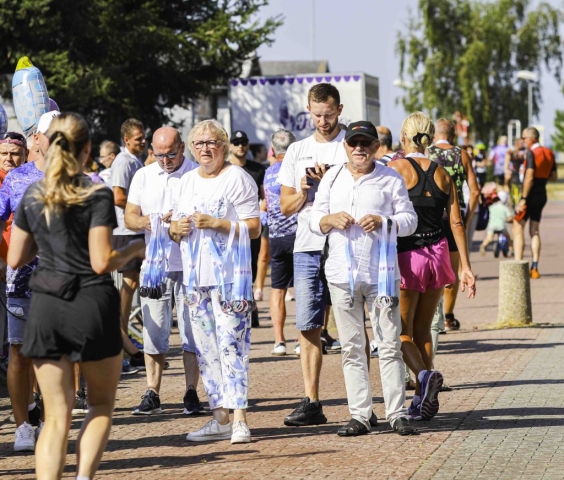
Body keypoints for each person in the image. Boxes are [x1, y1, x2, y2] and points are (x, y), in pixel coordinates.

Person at [7, 112, 145, 479]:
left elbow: (17, 257)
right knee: (99, 405)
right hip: (89, 303)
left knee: (55, 417)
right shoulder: (95, 192)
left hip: (47, 305)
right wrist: (133, 250)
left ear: (49, 146)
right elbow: (102, 261)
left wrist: (49, 242)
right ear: (87, 150)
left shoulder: (34, 193)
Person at [309, 120, 419, 436]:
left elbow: (410, 220)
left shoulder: (390, 178)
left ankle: (397, 413)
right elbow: (315, 219)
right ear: (345, 146)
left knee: (388, 344)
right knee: (352, 347)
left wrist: (385, 221)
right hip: (341, 274)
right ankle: (360, 414)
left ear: (375, 147)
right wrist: (329, 219)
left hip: (380, 273)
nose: (359, 148)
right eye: (353, 143)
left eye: (365, 143)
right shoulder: (332, 178)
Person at [170, 119, 260, 444]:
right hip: (196, 279)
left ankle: (240, 420)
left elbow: (254, 227)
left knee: (232, 346)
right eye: (199, 144)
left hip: (230, 279)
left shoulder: (237, 178)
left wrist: (219, 223)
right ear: (192, 148)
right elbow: (175, 223)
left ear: (223, 146)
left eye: (212, 143)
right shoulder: (187, 181)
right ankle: (219, 416)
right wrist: (174, 230)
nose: (205, 148)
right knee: (206, 350)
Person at [389, 112, 476, 422]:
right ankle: (421, 401)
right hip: (437, 254)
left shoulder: (395, 169)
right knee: (424, 329)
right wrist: (465, 266)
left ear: (403, 137)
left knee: (399, 332)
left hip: (406, 257)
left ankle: (424, 377)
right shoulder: (442, 174)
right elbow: (455, 221)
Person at [279, 83, 349, 427]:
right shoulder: (297, 151)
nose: (323, 121)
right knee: (308, 325)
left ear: (339, 109)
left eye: (329, 114)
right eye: (317, 115)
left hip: (344, 245)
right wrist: (306, 189)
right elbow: (285, 205)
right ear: (309, 111)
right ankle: (312, 401)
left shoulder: (353, 145)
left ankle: (360, 401)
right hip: (307, 247)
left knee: (353, 324)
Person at [125, 127, 204, 415]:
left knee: (191, 331)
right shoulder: (144, 176)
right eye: (159, 155)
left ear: (182, 148)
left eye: (171, 154)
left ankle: (191, 391)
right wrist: (152, 221)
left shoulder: (197, 174)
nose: (166, 160)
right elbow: (129, 217)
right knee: (153, 331)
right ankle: (152, 391)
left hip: (191, 266)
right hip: (155, 266)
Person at [0, 114, 60, 452]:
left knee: (55, 355)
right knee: (19, 353)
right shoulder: (16, 178)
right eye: (52, 135)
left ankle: (52, 420)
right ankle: (22, 425)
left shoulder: (74, 178)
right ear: (36, 138)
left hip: (62, 280)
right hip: (21, 279)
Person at [427, 118, 479, 331]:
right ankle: (448, 316)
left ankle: (430, 316)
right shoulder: (461, 155)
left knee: (429, 264)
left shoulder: (426, 153)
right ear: (453, 135)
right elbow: (475, 191)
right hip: (453, 216)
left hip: (429, 216)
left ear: (433, 135)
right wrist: (466, 220)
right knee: (452, 267)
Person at [111, 118, 146, 363]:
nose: (143, 141)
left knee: (131, 287)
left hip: (134, 230)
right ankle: (121, 343)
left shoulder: (136, 160)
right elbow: (118, 196)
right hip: (125, 231)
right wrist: (141, 211)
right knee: (127, 288)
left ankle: (123, 342)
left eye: (143, 137)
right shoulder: (123, 161)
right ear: (126, 140)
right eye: (138, 138)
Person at [264, 129, 298, 356]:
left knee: (277, 289)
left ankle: (279, 340)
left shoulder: (268, 173)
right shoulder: (295, 169)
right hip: (297, 234)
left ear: (273, 149)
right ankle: (300, 340)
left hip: (275, 236)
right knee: (303, 288)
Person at [228, 130, 265, 328]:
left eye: (243, 142)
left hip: (250, 226)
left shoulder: (257, 169)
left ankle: (250, 306)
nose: (240, 146)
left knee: (249, 267)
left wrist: (260, 212)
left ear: (248, 145)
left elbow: (264, 196)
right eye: (236, 142)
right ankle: (238, 307)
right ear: (230, 146)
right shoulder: (225, 169)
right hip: (230, 228)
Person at [514, 127, 557, 278]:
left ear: (531, 139)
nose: (523, 141)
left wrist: (523, 199)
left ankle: (518, 265)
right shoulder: (549, 152)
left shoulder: (531, 152)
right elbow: (554, 176)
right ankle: (535, 266)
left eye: (524, 138)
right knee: (535, 230)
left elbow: (529, 176)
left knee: (518, 226)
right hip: (542, 193)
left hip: (530, 194)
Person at [479, 190, 514, 255]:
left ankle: (483, 245)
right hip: (501, 226)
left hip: (491, 226)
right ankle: (511, 249)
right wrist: (510, 220)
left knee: (489, 238)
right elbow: (510, 217)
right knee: (508, 237)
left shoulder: (491, 207)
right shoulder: (504, 208)